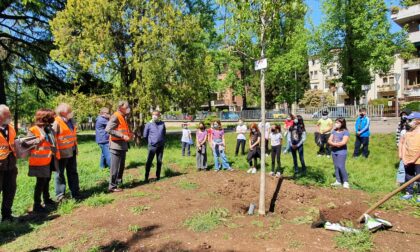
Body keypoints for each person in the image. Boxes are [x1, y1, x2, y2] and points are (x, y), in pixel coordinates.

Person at [25, 109, 59, 212]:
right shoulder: (33, 129)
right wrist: (40, 139)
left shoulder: (49, 128)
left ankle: (47, 199)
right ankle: (37, 205)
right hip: (39, 161)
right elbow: (27, 144)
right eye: (51, 116)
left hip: (49, 159)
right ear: (45, 118)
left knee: (47, 180)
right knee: (40, 182)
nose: (53, 117)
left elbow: (53, 142)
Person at [53, 103, 80, 201]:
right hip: (61, 153)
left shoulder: (71, 121)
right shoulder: (56, 122)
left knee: (73, 172)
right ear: (63, 112)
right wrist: (56, 152)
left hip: (72, 151)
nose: (71, 113)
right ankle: (60, 195)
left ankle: (75, 192)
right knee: (59, 174)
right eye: (69, 111)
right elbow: (53, 139)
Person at [105, 101, 132, 192]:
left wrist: (128, 134)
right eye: (126, 107)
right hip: (116, 146)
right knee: (115, 167)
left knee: (121, 166)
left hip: (122, 145)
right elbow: (108, 129)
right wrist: (122, 135)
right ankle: (112, 186)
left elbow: (122, 129)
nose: (128, 108)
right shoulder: (115, 116)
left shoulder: (123, 116)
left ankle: (118, 183)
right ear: (121, 108)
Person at [0, 105, 17, 222]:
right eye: (7, 114)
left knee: (10, 189)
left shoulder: (11, 128)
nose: (10, 116)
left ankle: (7, 216)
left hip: (10, 164)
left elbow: (12, 143)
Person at [399, 112, 420, 202]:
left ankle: (419, 194)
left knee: (418, 178)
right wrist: (403, 157)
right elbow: (403, 144)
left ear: (418, 121)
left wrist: (414, 159)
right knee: (408, 176)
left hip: (418, 159)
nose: (408, 122)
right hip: (407, 159)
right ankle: (409, 193)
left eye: (411, 120)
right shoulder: (407, 132)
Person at [143, 111, 166, 182]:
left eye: (156, 115)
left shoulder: (162, 123)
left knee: (159, 161)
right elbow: (145, 135)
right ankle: (146, 177)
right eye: (153, 115)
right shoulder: (148, 124)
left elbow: (164, 133)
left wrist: (162, 141)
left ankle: (158, 176)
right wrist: (151, 142)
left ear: (159, 116)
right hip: (152, 146)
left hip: (160, 146)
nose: (154, 116)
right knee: (149, 161)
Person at [328, 118, 350, 189]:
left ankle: (346, 181)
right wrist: (335, 144)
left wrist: (334, 144)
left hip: (342, 152)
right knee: (336, 166)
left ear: (342, 123)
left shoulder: (345, 132)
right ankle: (338, 181)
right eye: (336, 122)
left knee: (341, 166)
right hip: (334, 151)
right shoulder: (334, 131)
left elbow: (344, 142)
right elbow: (329, 140)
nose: (336, 124)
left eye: (338, 122)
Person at [396, 110, 411, 186]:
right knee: (402, 166)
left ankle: (411, 183)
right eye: (402, 115)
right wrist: (398, 145)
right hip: (403, 147)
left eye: (405, 115)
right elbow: (398, 134)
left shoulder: (412, 125)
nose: (403, 116)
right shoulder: (400, 125)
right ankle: (400, 182)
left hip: (411, 149)